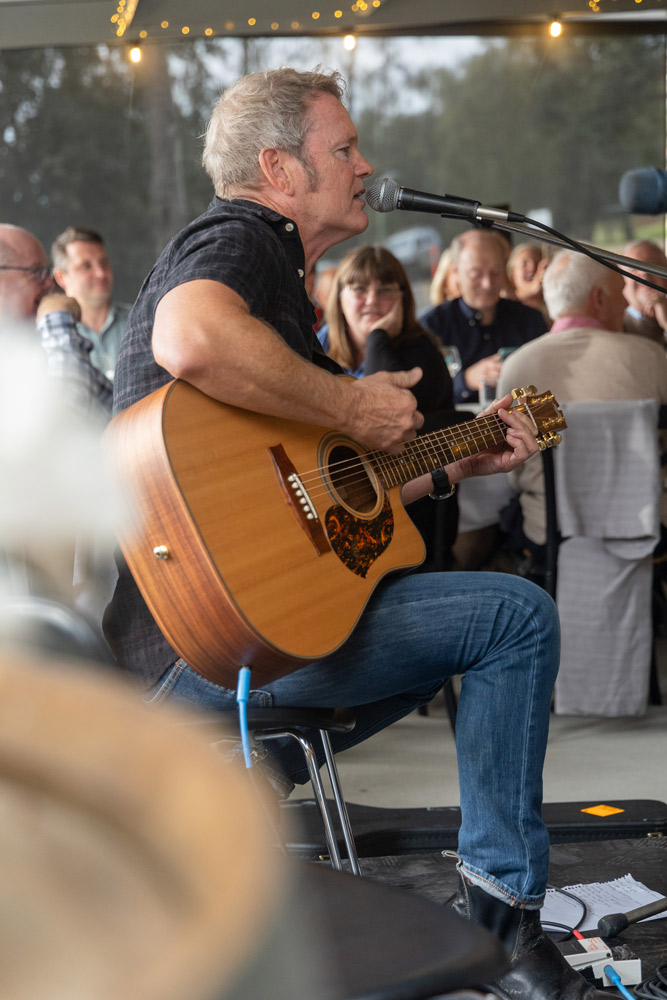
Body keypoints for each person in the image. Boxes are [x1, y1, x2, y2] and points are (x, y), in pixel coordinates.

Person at [103, 68, 613, 1000]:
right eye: (343, 149)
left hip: (221, 644)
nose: (366, 165)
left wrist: (457, 456)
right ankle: (504, 929)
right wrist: (347, 400)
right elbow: (188, 335)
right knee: (514, 618)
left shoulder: (281, 285)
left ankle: (246, 774)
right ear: (278, 170)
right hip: (209, 650)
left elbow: (330, 494)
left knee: (435, 606)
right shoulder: (243, 237)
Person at [497, 248, 667, 560]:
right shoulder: (652, 358)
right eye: (621, 293)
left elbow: (513, 470)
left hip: (550, 532)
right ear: (599, 299)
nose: (628, 303)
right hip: (645, 526)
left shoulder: (518, 366)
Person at [319, 244, 459, 569]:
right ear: (338, 297)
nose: (371, 300)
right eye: (358, 289)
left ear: (403, 298)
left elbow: (379, 428)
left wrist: (378, 335)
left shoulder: (419, 351)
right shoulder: (318, 348)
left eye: (384, 290)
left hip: (407, 519)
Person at [420, 229, 547, 406]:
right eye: (476, 274)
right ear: (455, 272)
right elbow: (422, 395)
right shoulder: (432, 326)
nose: (487, 283)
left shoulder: (530, 320)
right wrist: (465, 380)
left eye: (495, 273)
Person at [51, 226, 130, 377]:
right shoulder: (53, 338)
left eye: (103, 263)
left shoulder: (141, 322)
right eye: (86, 266)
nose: (100, 273)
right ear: (61, 277)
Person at [621, 238, 667, 347]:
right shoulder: (615, 323)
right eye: (634, 268)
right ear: (621, 280)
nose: (644, 273)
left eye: (652, 266)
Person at [507, 240, 551, 322]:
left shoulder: (556, 304)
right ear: (512, 274)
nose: (532, 268)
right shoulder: (504, 309)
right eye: (524, 264)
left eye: (538, 263)